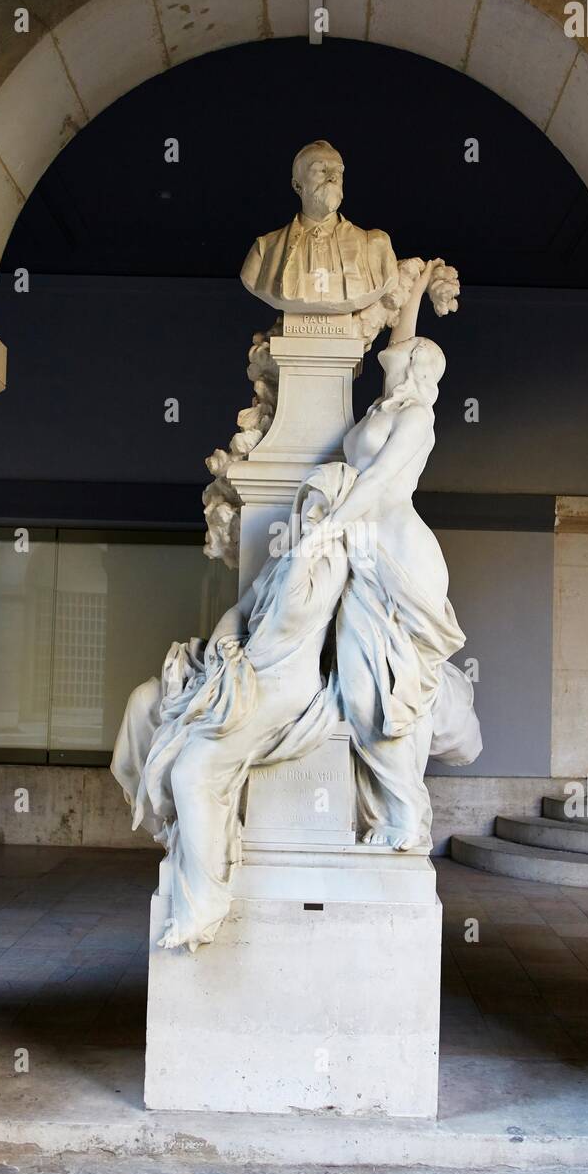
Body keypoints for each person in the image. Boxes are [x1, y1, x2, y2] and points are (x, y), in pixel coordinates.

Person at [112, 260, 481, 950]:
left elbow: (380, 488)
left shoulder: (411, 430)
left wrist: (339, 526)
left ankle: (397, 822)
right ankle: (194, 850)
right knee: (160, 719)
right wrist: (416, 295)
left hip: (390, 555)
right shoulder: (377, 416)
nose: (409, 375)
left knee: (381, 691)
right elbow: (248, 607)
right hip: (277, 641)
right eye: (307, 504)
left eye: (420, 371)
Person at [240, 140, 398, 313]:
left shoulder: (376, 246)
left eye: (338, 170)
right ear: (297, 185)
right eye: (321, 170)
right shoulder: (264, 250)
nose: (333, 177)